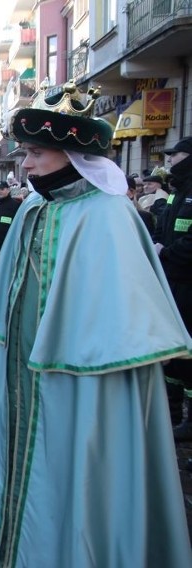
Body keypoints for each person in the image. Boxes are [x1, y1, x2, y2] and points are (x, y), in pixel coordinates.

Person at [0, 81, 192, 567]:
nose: (26, 165)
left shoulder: (109, 215)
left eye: (37, 153)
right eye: (25, 153)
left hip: (86, 392)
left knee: (76, 475)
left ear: (73, 153)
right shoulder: (30, 209)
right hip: (23, 377)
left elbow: (121, 328)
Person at [154, 137, 192, 439]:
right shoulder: (176, 192)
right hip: (172, 282)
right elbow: (163, 227)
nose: (170, 160)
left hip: (188, 282)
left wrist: (164, 252)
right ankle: (172, 412)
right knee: (174, 356)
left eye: (175, 155)